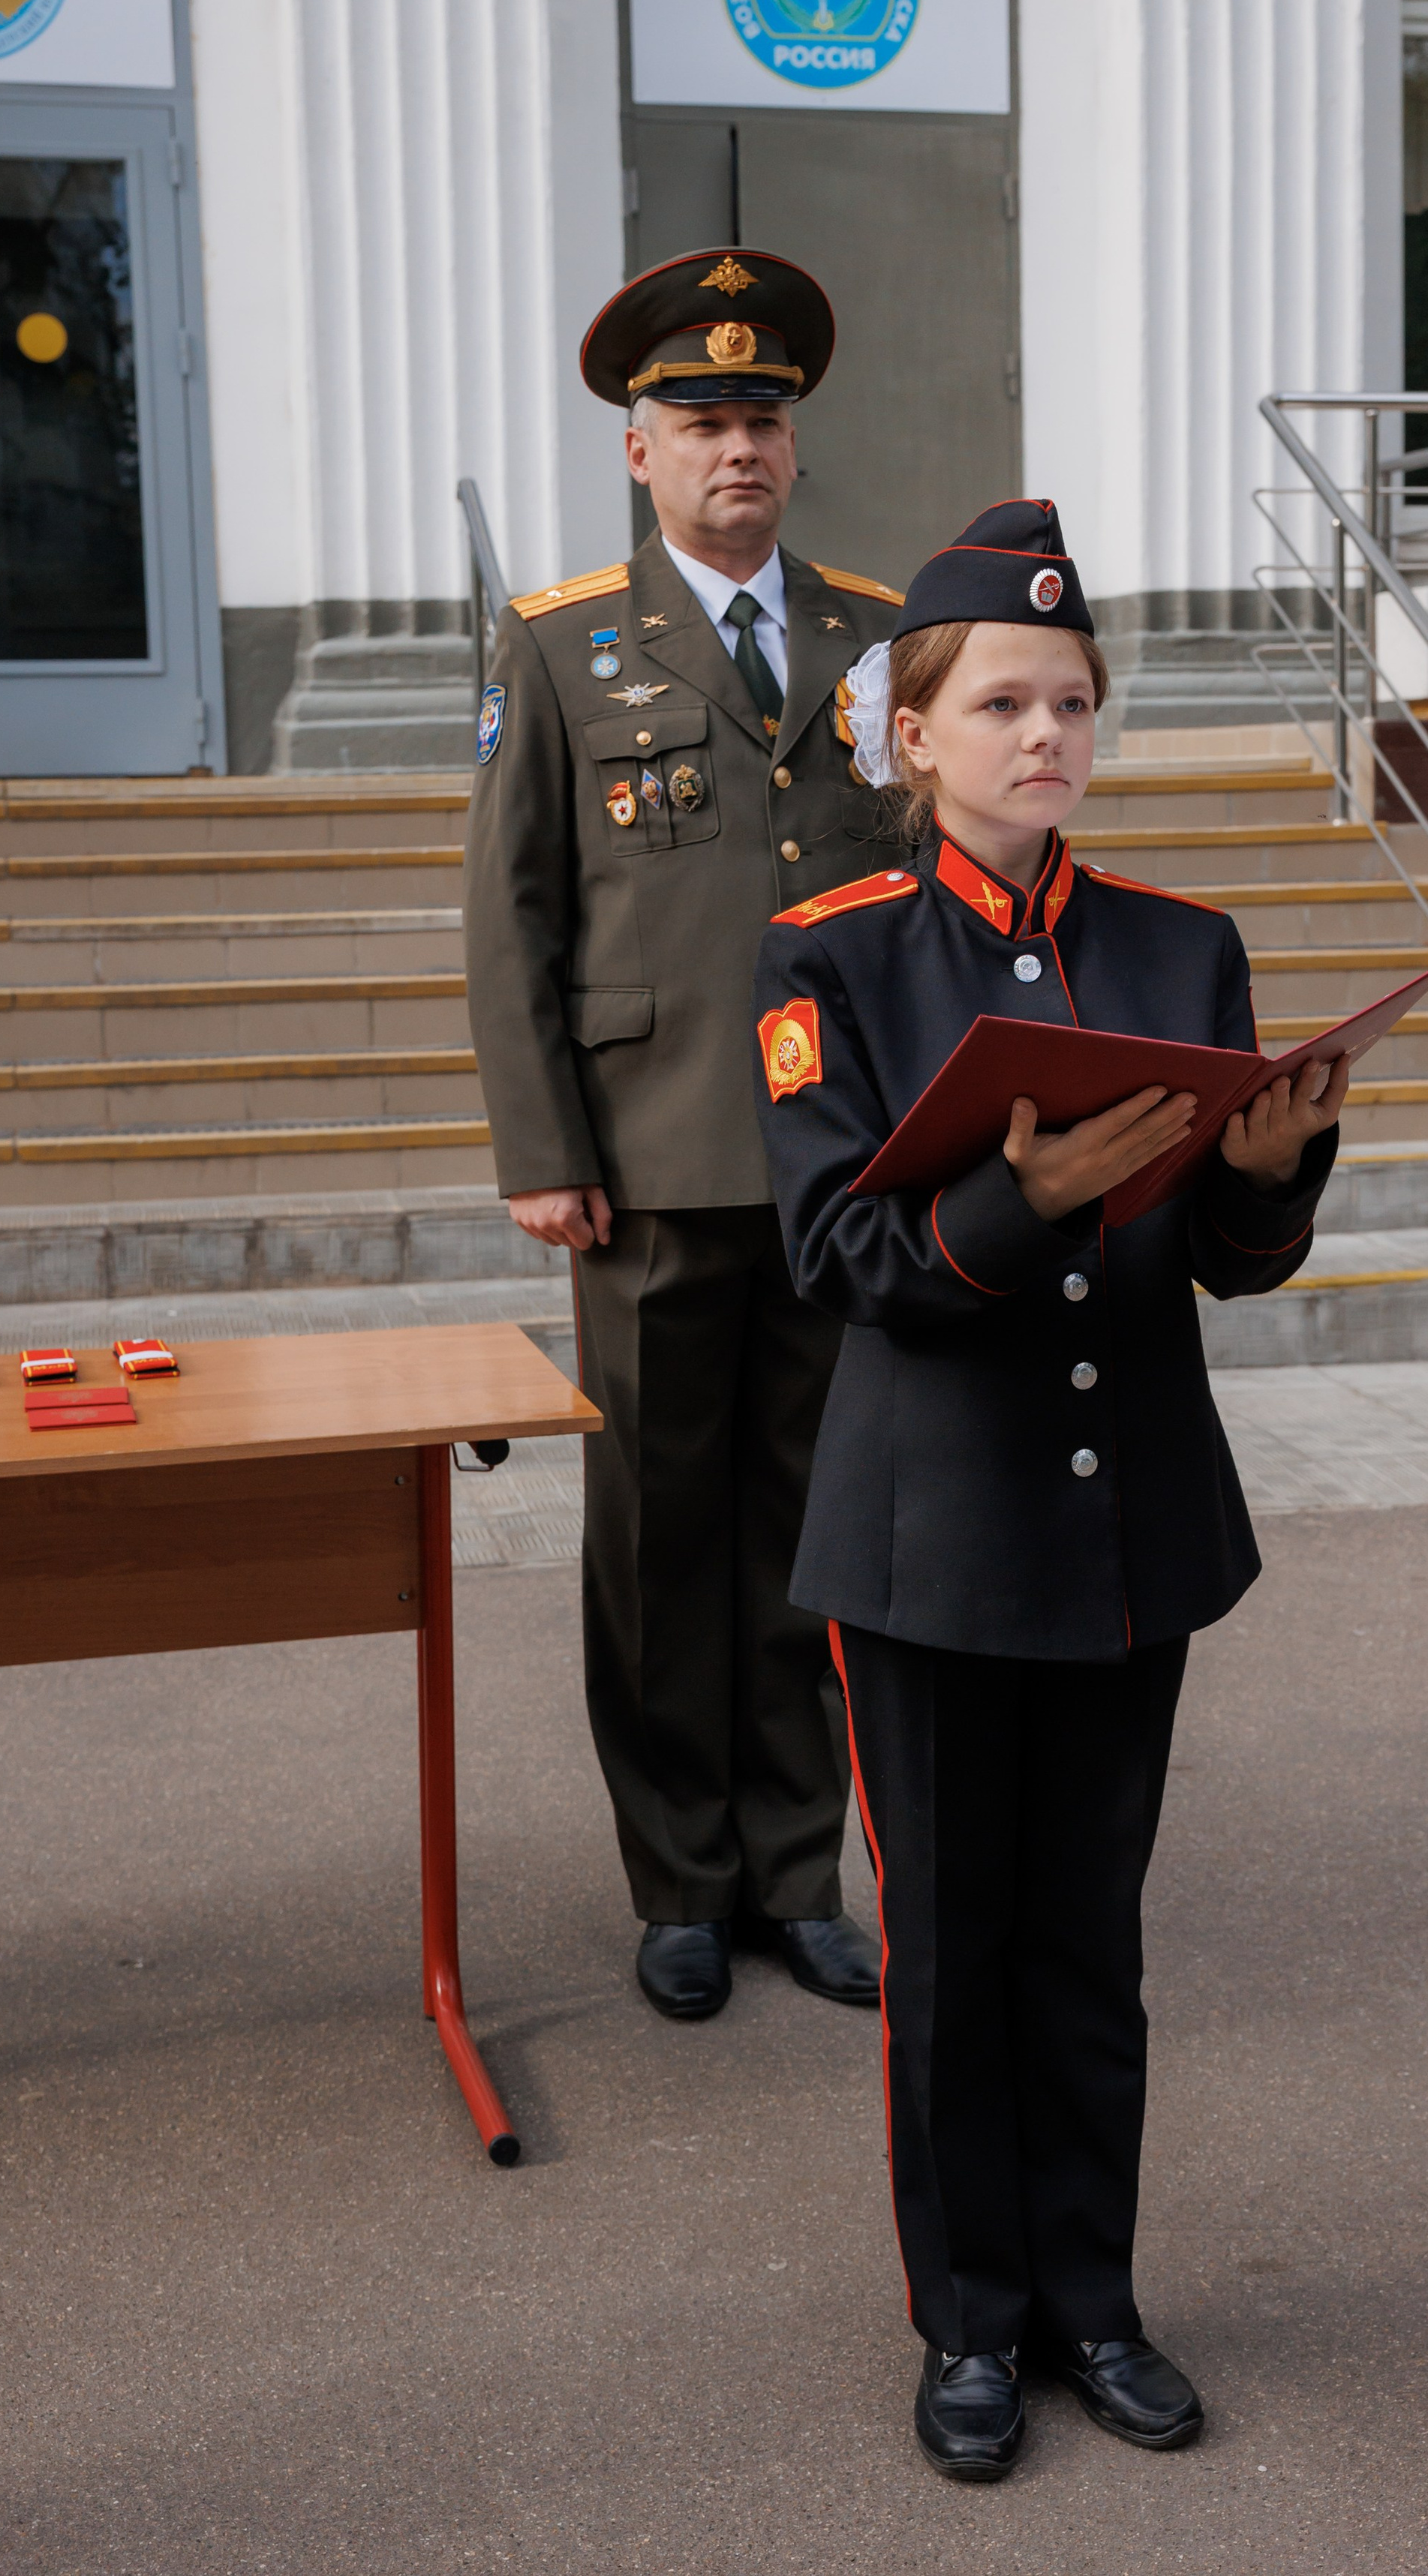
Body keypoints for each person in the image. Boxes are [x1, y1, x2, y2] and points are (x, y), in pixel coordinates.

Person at [751, 500, 1346, 2480]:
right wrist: (1021, 1200)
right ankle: (975, 2325)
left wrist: (1269, 1175)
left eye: (1072, 701)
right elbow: (838, 1255)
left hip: (1126, 1526)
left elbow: (1227, 1268)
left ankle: (1095, 2298)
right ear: (912, 732)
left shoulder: (1183, 946)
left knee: (1093, 1934)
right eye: (1001, 701)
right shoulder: (831, 957)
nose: (1043, 734)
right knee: (954, 1949)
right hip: (932, 1536)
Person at [461, 248, 907, 2022]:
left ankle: (795, 1867)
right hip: (641, 1160)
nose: (737, 444)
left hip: (829, 1157)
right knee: (653, 1529)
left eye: (762, 416)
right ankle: (676, 1874)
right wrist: (537, 1141)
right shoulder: (563, 645)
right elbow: (514, 915)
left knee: (809, 1521)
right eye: (699, 417)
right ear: (637, 451)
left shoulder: (877, 639)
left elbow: (914, 894)